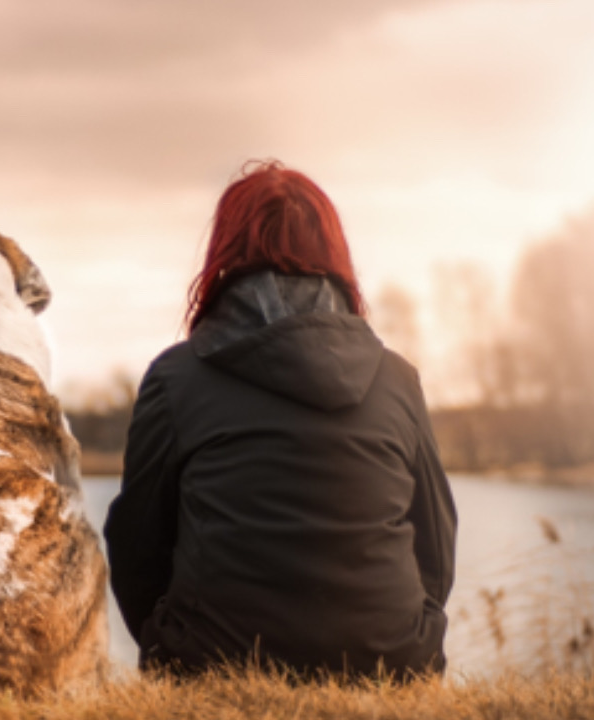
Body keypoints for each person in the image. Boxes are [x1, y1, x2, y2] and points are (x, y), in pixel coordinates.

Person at [103, 160, 457, 680]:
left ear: (224, 254)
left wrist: (170, 642)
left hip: (210, 662)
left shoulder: (176, 379)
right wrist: (406, 634)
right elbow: (436, 544)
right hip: (391, 662)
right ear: (334, 255)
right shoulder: (397, 380)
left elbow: (136, 547)